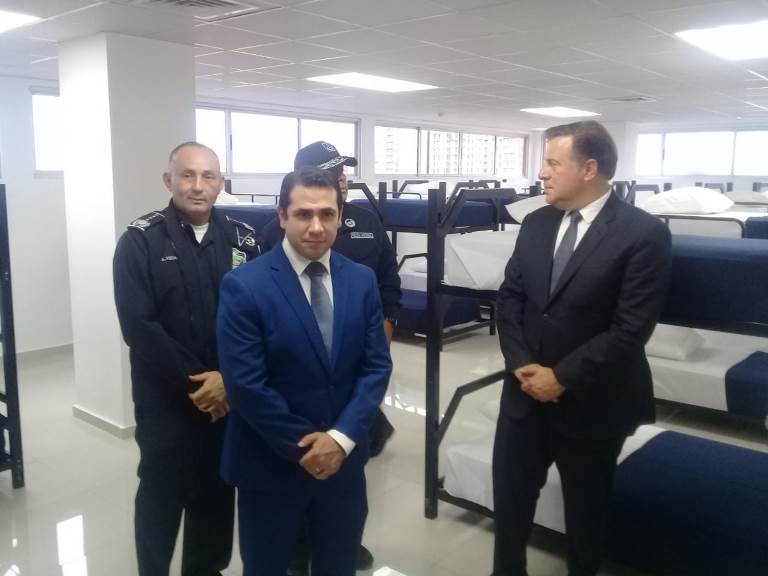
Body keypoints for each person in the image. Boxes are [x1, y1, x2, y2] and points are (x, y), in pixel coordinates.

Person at [492, 121, 672, 576]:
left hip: (594, 401)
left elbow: (630, 329)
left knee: (586, 513)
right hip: (523, 394)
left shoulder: (642, 233)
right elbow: (510, 299)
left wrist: (561, 377)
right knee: (510, 503)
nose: (542, 172)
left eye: (553, 163)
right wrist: (522, 364)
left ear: (589, 168)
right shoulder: (535, 223)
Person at [217, 166, 392, 576]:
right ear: (282, 216)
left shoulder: (361, 280)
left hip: (343, 465)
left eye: (327, 214)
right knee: (267, 567)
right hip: (270, 465)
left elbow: (375, 367)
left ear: (340, 215)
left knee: (338, 564)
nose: (316, 227)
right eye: (303, 214)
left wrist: (340, 440)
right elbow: (246, 385)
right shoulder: (244, 285)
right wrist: (310, 449)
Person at [113, 142, 259, 576]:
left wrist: (228, 380)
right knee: (160, 494)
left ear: (220, 183)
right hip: (166, 401)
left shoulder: (243, 240)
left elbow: (257, 319)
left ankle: (206, 570)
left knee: (216, 492)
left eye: (208, 176)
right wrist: (201, 382)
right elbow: (139, 327)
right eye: (187, 175)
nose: (198, 186)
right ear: (169, 180)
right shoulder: (140, 241)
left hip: (227, 400)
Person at [261, 142, 400, 574]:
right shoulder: (273, 234)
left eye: (342, 171)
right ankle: (299, 548)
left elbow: (387, 282)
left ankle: (342, 543)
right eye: (330, 171)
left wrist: (386, 328)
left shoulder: (366, 221)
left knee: (348, 469)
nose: (342, 178)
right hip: (297, 381)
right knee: (301, 465)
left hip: (351, 373)